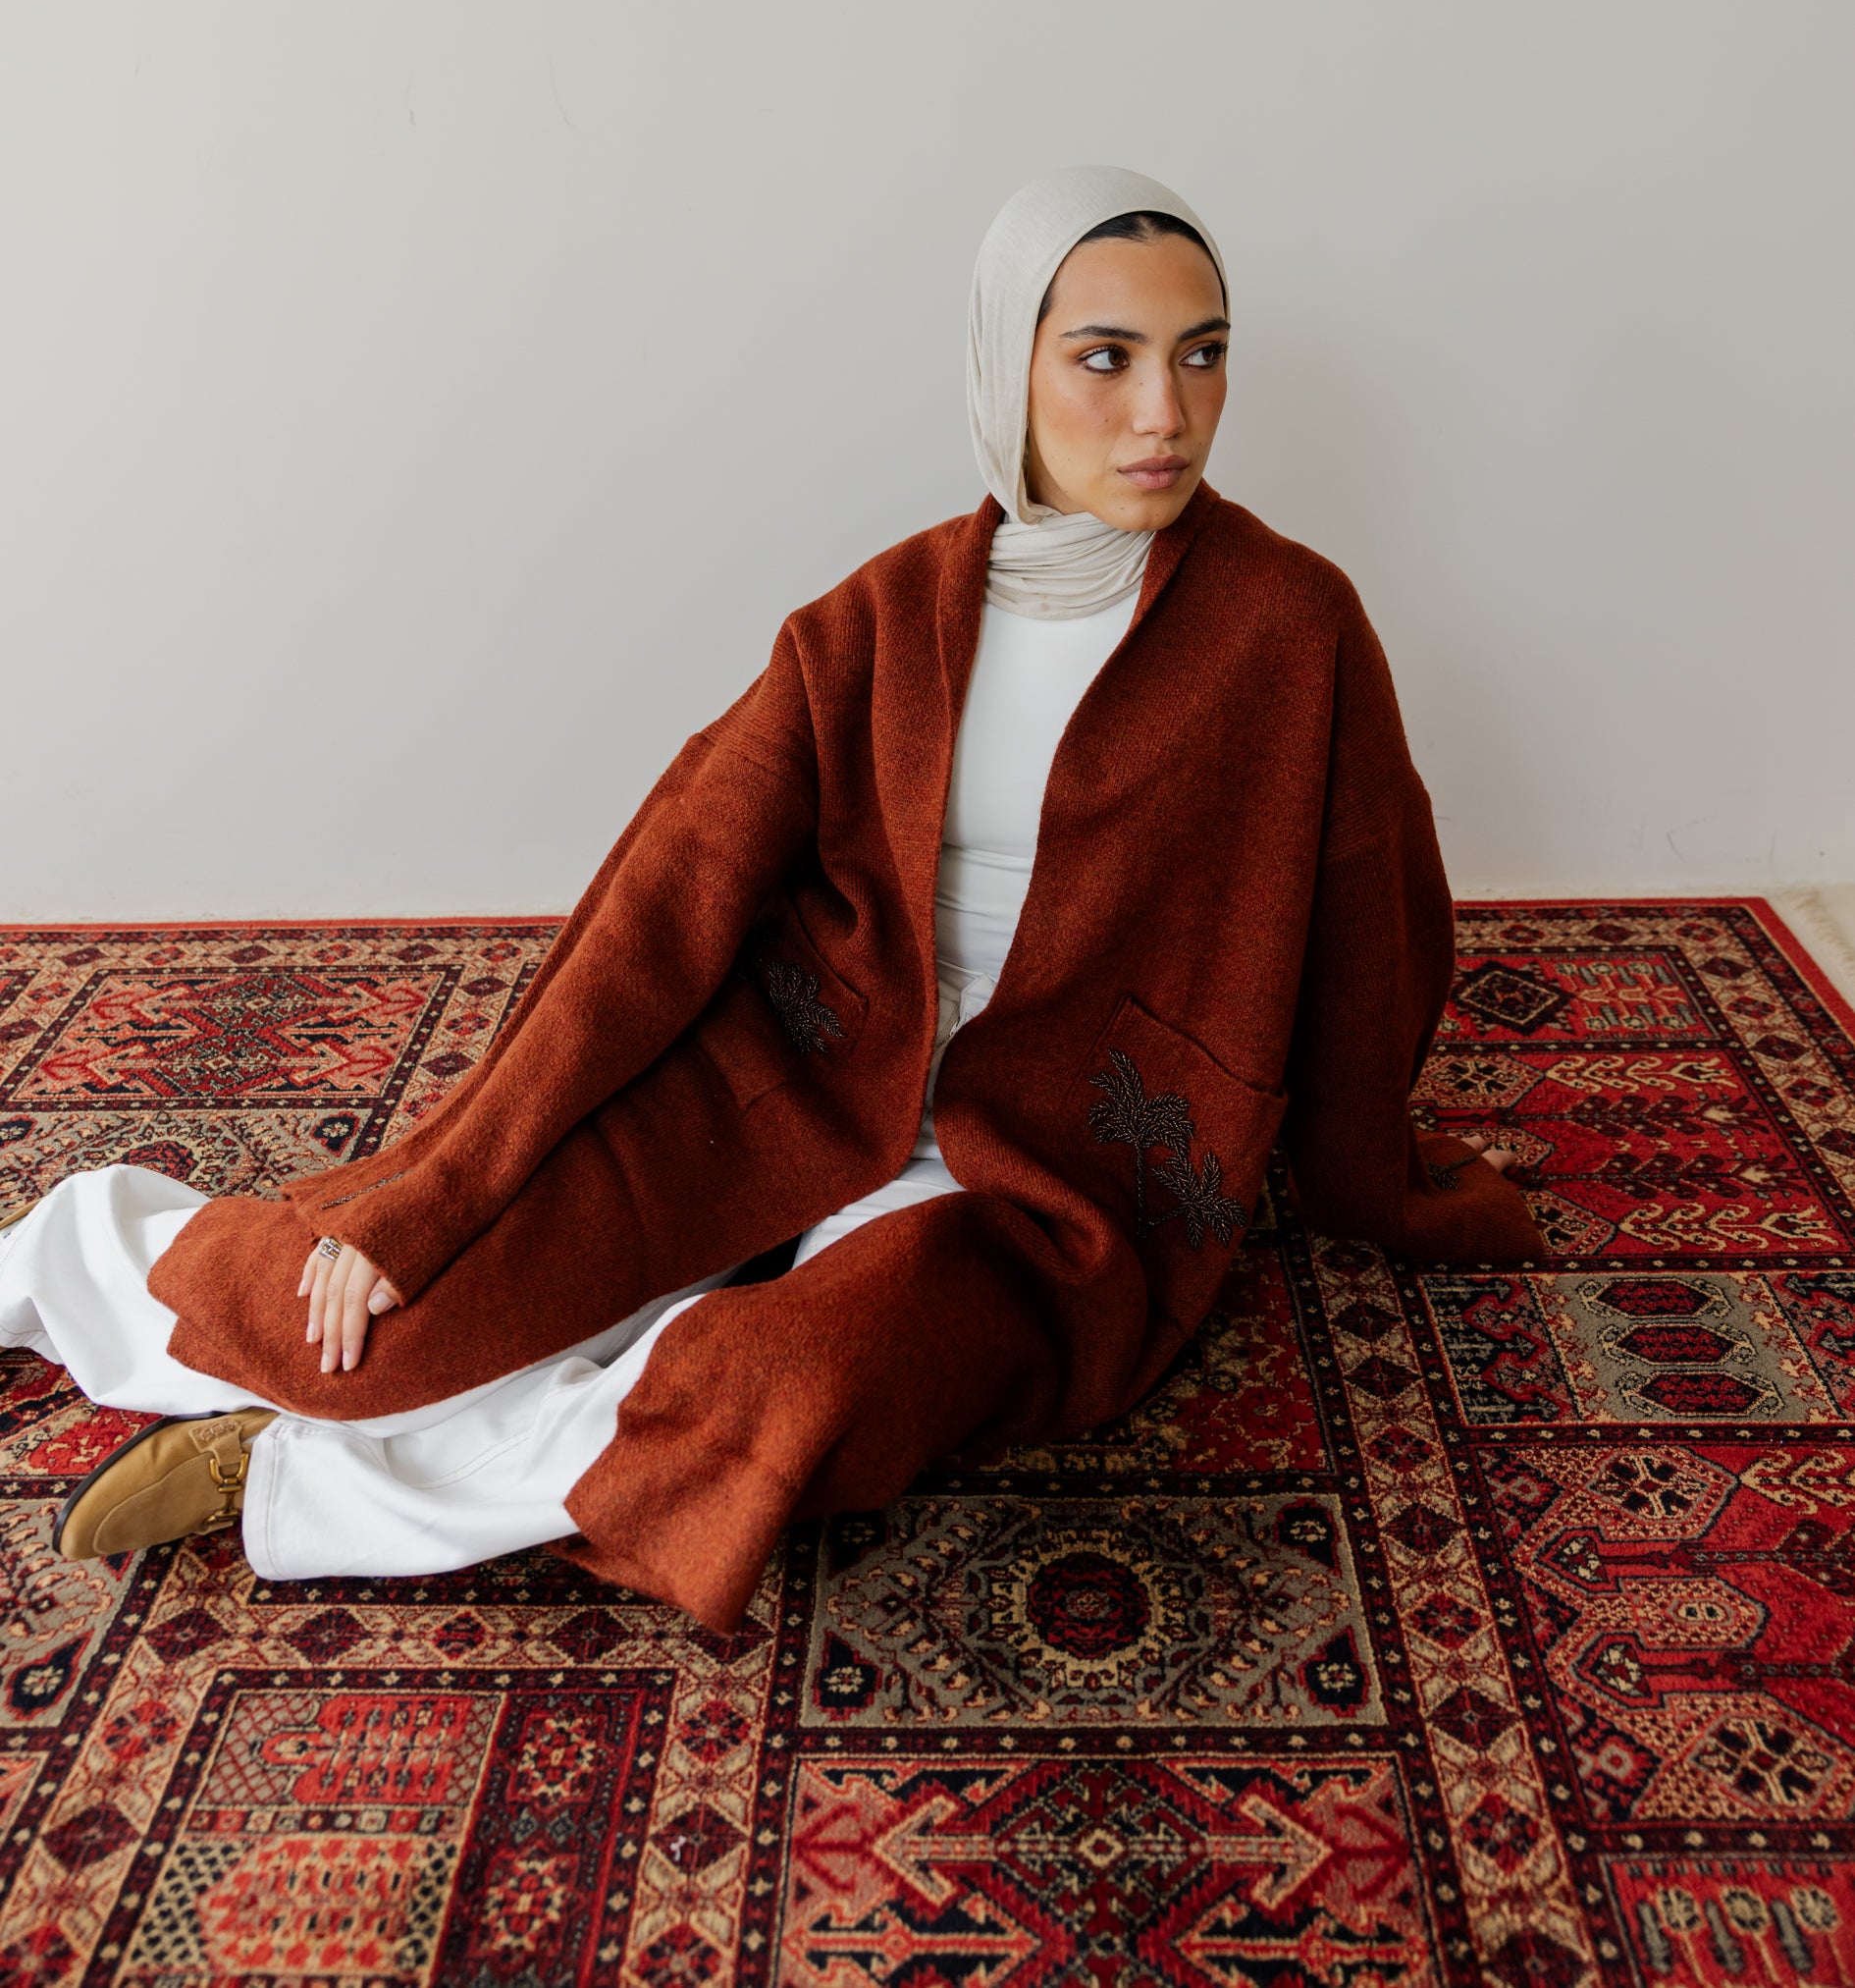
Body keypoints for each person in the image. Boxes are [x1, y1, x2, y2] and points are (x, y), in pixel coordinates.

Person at [0, 166, 1538, 1633]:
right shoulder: (876, 621)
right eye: (1104, 356)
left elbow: (1372, 933)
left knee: (811, 1379)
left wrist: (1368, 1181)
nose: (1164, 410)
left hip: (1051, 1169)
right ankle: (68, 1255)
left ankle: (306, 1474)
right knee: (397, 1310)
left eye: (1201, 354)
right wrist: (442, 1189)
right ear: (1004, 363)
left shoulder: (1290, 629)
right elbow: (657, 910)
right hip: (794, 1081)